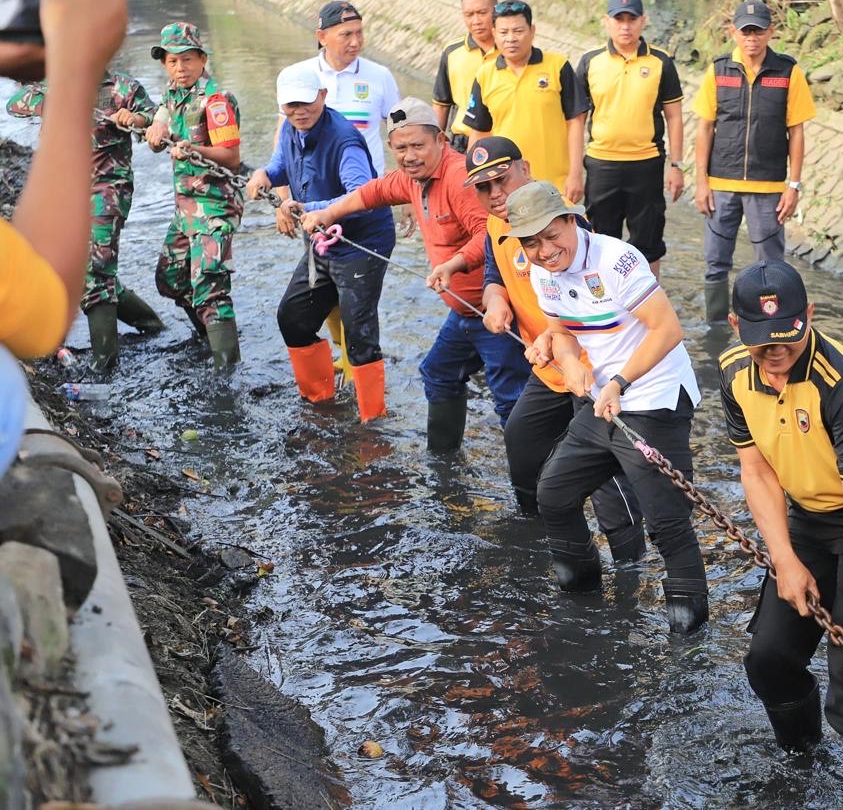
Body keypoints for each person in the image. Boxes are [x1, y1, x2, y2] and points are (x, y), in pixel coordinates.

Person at [717, 260, 843, 809]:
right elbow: (756, 471)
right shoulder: (735, 373)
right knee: (769, 658)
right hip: (808, 513)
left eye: (787, 338)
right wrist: (784, 558)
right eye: (762, 342)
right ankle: (801, 762)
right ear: (737, 328)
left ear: (809, 317)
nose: (775, 355)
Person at [430, 136, 646, 555]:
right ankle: (542, 533)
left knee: (601, 471)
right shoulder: (498, 223)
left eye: (501, 180)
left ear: (524, 169)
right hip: (548, 370)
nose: (495, 194)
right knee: (521, 438)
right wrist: (495, 303)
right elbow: (495, 272)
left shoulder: (563, 221)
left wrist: (550, 335)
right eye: (483, 187)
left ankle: (629, 560)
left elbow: (587, 297)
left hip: (590, 368)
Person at [512, 181, 708, 634]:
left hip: (654, 397)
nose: (545, 251)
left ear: (570, 221)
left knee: (668, 522)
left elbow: (668, 330)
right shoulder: (541, 270)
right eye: (532, 243)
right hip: (602, 401)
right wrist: (565, 361)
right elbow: (562, 331)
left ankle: (689, 633)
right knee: (554, 494)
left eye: (551, 236)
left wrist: (619, 380)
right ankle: (581, 601)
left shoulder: (617, 259)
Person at [302, 98, 529, 448]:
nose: (410, 155)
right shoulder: (412, 178)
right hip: (463, 311)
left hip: (498, 310)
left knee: (510, 398)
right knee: (438, 373)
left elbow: (490, 233)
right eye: (401, 147)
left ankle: (531, 485)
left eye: (419, 146)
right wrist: (329, 214)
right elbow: (371, 193)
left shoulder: (458, 178)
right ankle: (444, 463)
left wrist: (453, 263)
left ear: (441, 140)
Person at [0, 0, 129, 476]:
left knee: (110, 272)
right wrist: (75, 63)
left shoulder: (130, 90)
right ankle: (106, 359)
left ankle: (111, 357)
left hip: (110, 189)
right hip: (76, 193)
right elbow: (43, 316)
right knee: (99, 278)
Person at [245, 63, 396, 422]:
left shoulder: (343, 139)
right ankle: (320, 402)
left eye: (306, 103)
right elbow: (281, 166)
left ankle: (372, 419)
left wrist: (305, 207)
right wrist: (263, 175)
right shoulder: (290, 128)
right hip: (322, 239)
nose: (299, 111)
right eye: (290, 105)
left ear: (323, 97)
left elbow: (361, 195)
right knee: (293, 318)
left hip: (361, 242)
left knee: (358, 331)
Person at [7, 69, 165, 371]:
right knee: (86, 271)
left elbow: (154, 117)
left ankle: (104, 365)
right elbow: (14, 105)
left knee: (96, 268)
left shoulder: (122, 87)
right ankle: (151, 326)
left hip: (108, 187)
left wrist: (135, 120)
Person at [692, 0, 816, 323]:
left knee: (771, 266)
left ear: (770, 32)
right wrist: (701, 182)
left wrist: (794, 185)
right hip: (720, 186)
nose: (752, 38)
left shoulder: (789, 71)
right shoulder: (718, 71)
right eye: (745, 31)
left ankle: (770, 325)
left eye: (758, 30)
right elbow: (704, 128)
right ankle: (716, 326)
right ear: (733, 32)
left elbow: (797, 132)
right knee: (715, 263)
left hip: (769, 187)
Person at [144, 21, 244, 368]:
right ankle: (209, 335)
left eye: (187, 60)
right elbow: (162, 123)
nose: (180, 68)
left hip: (214, 207)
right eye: (172, 61)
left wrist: (193, 150)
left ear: (202, 59)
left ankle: (227, 370)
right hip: (185, 208)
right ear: (164, 65)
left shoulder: (216, 101)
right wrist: (156, 131)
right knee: (170, 279)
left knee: (211, 291)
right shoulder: (172, 93)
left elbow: (231, 157)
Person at [576, 0, 684, 281]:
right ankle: (604, 304)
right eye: (618, 19)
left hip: (646, 164)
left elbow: (674, 116)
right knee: (598, 240)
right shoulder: (590, 62)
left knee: (648, 241)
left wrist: (676, 165)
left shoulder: (661, 62)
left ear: (643, 21)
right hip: (601, 164)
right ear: (606, 22)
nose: (625, 26)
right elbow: (577, 120)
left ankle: (651, 303)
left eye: (632, 19)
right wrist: (574, 171)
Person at [462, 0, 589, 201]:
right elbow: (479, 132)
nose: (511, 38)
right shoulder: (485, 75)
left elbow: (575, 121)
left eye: (518, 31)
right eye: (503, 32)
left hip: (554, 185)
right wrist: (473, 179)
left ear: (532, 30)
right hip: (505, 187)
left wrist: (575, 174)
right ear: (494, 33)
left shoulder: (558, 66)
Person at [304, 0, 400, 175]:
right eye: (346, 34)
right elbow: (284, 136)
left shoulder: (381, 76)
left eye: (359, 33)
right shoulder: (301, 75)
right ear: (322, 37)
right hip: (316, 192)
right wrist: (283, 194)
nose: (356, 42)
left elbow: (402, 132)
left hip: (369, 190)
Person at [433, 0, 499, 154]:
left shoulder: (512, 52)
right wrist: (433, 147)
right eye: (469, 15)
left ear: (496, 10)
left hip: (502, 141)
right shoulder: (452, 52)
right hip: (462, 142)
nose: (476, 21)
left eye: (482, 13)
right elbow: (441, 104)